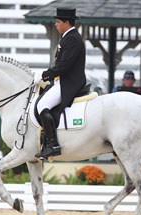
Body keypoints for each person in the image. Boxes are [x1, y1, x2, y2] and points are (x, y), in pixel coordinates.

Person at [35, 8, 86, 159]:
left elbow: (65, 65)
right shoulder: (67, 37)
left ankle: (53, 145)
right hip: (61, 81)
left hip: (69, 83)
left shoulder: (72, 39)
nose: (55, 24)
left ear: (66, 22)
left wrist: (45, 75)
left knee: (41, 106)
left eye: (58, 22)